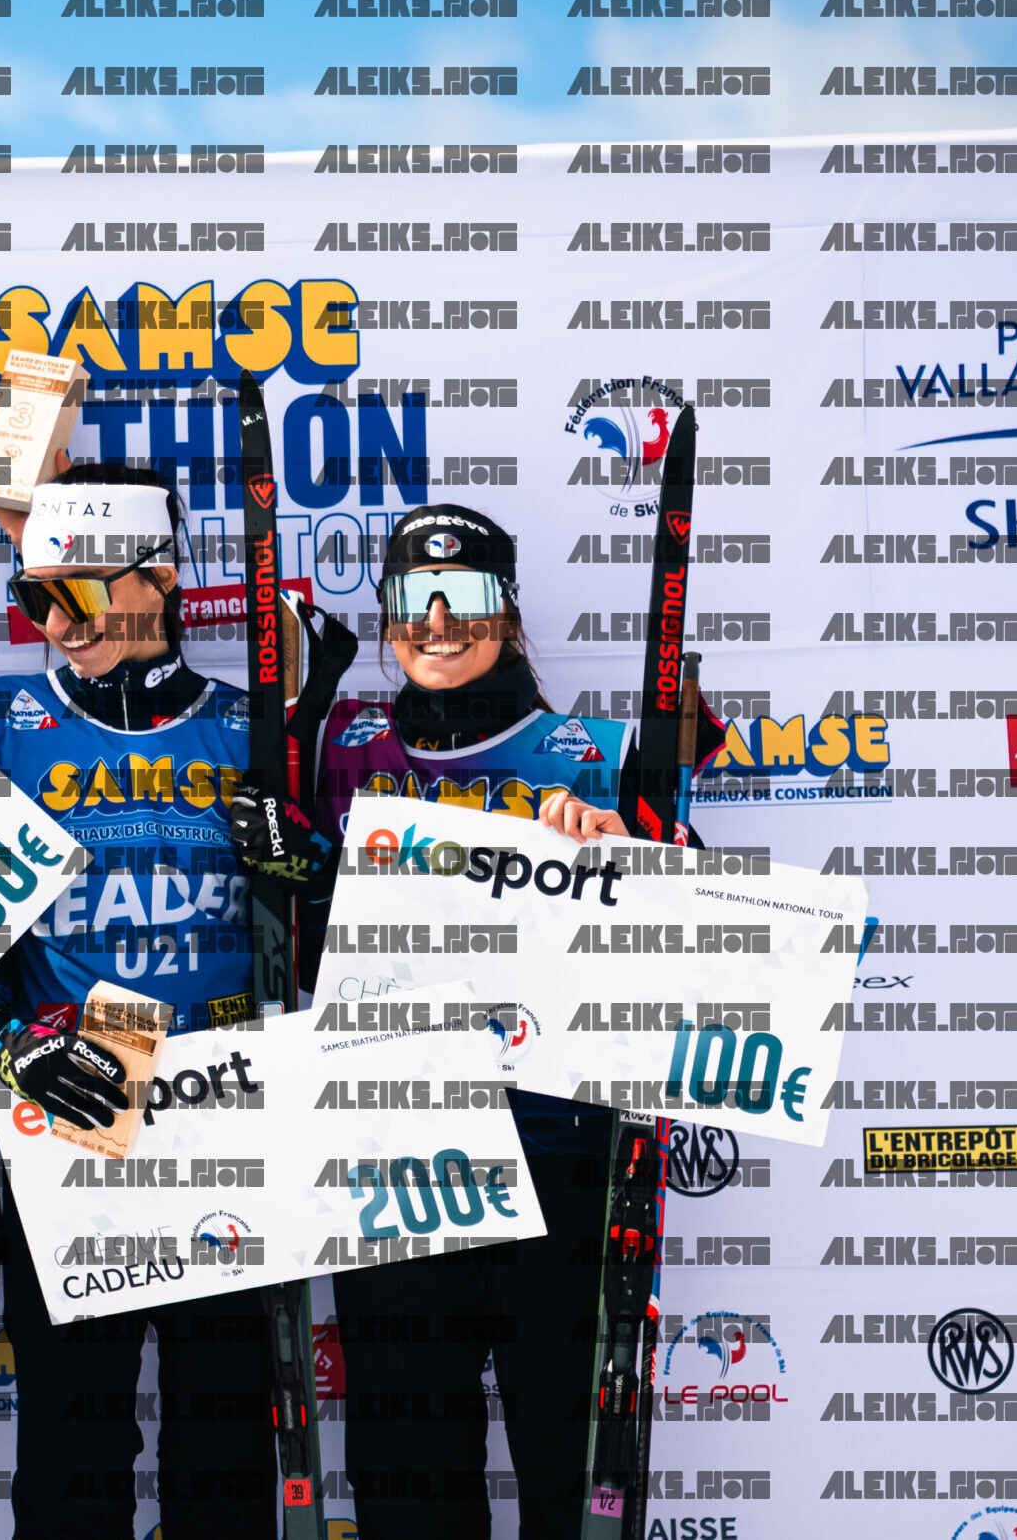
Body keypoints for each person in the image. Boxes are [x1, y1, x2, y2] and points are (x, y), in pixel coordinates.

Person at [225, 501, 703, 1540]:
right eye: (412, 598)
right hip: (394, 1155)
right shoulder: (338, 748)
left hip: (559, 1152)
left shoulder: (596, 752)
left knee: (569, 1468)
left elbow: (706, 947)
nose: (438, 621)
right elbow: (299, 939)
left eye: (467, 595)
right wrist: (299, 867)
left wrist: (631, 856)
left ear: (510, 611)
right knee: (411, 1483)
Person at [0, 462, 279, 1540]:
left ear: (162, 578)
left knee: (224, 1454)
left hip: (225, 1109)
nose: (56, 624)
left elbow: (335, 932)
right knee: (72, 1462)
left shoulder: (254, 724)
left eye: (79, 593)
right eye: (36, 597)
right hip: (75, 1104)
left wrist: (307, 868)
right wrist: (3, 1037)